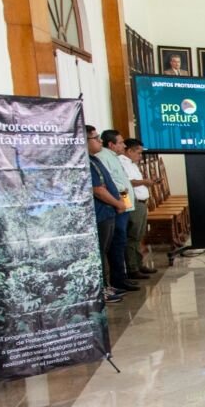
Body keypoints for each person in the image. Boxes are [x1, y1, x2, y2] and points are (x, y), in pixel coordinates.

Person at [87, 125, 126, 304]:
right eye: (95, 138)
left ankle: (107, 285)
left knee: (105, 251)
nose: (100, 141)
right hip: (101, 213)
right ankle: (101, 289)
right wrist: (118, 203)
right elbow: (98, 189)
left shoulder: (95, 159)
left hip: (108, 212)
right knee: (100, 252)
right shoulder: (86, 162)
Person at [97, 130, 138, 293]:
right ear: (111, 144)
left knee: (121, 241)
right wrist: (120, 201)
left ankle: (122, 277)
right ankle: (118, 279)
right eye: (120, 142)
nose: (124, 145)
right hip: (117, 204)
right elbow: (109, 183)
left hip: (123, 203)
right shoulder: (103, 156)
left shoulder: (113, 157)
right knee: (117, 242)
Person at [120, 139, 157, 279]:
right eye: (138, 153)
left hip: (141, 203)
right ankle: (132, 268)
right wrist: (144, 182)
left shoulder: (132, 164)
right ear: (129, 151)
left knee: (139, 236)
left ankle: (139, 264)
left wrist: (147, 182)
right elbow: (127, 182)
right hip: (133, 203)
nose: (140, 156)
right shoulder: (122, 162)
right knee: (133, 236)